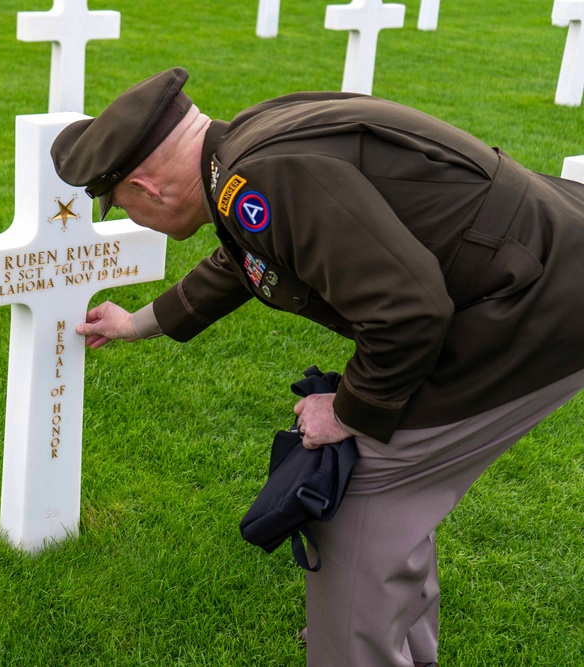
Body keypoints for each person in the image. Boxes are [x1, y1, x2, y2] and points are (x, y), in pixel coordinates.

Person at [49, 67, 584, 667]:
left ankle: (356, 650)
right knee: (384, 486)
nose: (132, 219)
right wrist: (140, 322)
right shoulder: (241, 150)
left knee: (359, 487)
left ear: (147, 188)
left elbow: (408, 313)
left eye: (121, 206)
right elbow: (251, 256)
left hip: (537, 302)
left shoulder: (263, 180)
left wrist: (348, 412)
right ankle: (394, 640)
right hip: (545, 265)